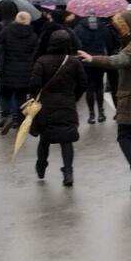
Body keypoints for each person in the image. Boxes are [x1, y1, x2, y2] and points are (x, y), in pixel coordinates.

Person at [78, 11, 131, 192]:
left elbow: (118, 61)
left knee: (124, 136)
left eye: (121, 28)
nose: (119, 31)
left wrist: (92, 59)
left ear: (127, 28)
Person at [29, 29, 88, 187]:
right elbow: (83, 83)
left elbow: (34, 84)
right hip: (66, 104)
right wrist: (73, 97)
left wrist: (36, 99)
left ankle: (41, 165)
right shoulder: (73, 62)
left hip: (45, 106)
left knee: (45, 138)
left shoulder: (42, 61)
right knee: (66, 139)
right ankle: (68, 172)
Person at [0, 11, 39, 134]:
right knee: (21, 98)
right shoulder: (33, 35)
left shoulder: (7, 31)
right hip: (25, 72)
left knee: (4, 94)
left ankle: (6, 115)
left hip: (7, 69)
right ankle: (19, 121)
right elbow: (36, 53)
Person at [73, 15, 118, 124]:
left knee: (89, 87)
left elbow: (75, 45)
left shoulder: (78, 28)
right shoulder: (104, 27)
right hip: (99, 60)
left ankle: (91, 114)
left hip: (85, 60)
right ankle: (101, 113)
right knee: (99, 86)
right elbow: (110, 44)